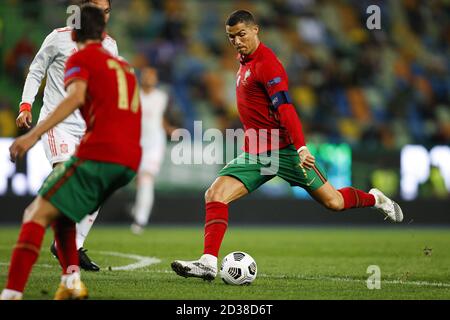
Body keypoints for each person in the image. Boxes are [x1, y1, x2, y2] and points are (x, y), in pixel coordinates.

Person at [171, 10, 403, 281]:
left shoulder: (267, 64)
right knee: (215, 194)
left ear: (256, 30)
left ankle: (375, 198)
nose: (236, 41)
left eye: (241, 34)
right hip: (257, 151)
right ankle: (208, 262)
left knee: (334, 202)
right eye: (231, 37)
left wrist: (302, 147)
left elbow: (286, 109)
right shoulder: (244, 62)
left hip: (284, 151)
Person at [1, 5, 141, 300]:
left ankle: (11, 295)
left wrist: (31, 136)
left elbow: (77, 96)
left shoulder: (83, 55)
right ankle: (71, 278)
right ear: (100, 27)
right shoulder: (123, 66)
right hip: (124, 153)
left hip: (95, 143)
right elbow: (38, 70)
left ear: (77, 29)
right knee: (64, 200)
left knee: (36, 212)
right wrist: (27, 105)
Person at [15, 0, 117, 272]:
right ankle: (59, 258)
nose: (102, 16)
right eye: (96, 10)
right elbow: (36, 70)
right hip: (56, 124)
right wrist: (26, 105)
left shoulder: (110, 46)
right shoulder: (58, 38)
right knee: (67, 185)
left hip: (88, 129)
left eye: (106, 11)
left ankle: (73, 245)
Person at [130, 66, 173, 235]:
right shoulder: (135, 96)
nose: (149, 79)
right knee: (135, 179)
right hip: (135, 143)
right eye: (146, 76)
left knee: (146, 178)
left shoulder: (162, 97)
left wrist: (170, 130)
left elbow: (161, 119)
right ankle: (138, 209)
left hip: (154, 143)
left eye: (152, 76)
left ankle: (140, 220)